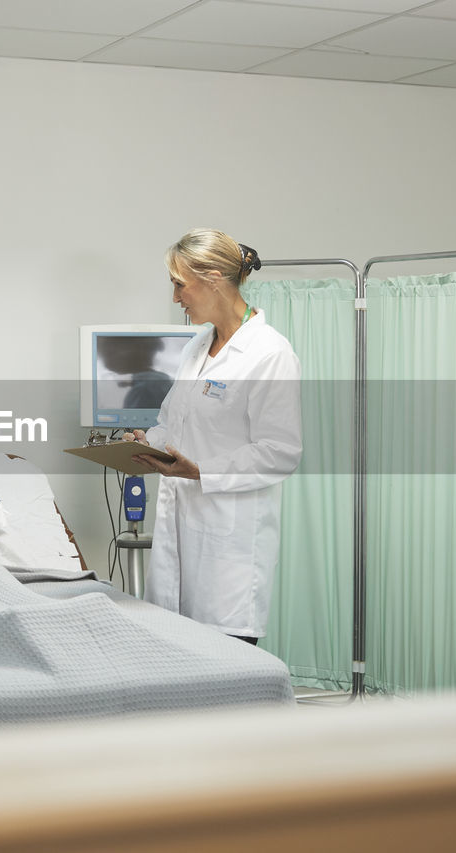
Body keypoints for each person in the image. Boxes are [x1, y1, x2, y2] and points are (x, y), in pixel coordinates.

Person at [125, 228, 302, 644]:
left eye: (179, 285)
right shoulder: (197, 346)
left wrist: (202, 471)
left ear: (215, 278)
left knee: (224, 677)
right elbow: (173, 421)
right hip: (179, 535)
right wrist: (146, 443)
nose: (175, 298)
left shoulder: (269, 353)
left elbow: (280, 451)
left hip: (229, 551)